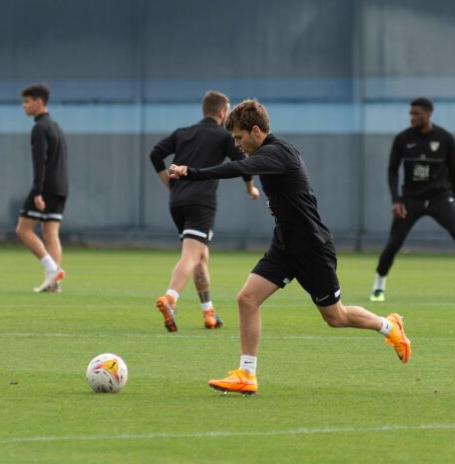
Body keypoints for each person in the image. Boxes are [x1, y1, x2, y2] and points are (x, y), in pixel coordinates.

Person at [169, 99, 410, 395]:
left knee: (335, 316)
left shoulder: (279, 153)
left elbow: (239, 168)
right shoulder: (265, 152)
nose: (237, 144)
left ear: (256, 131)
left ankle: (389, 327)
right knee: (246, 299)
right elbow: (243, 164)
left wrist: (192, 173)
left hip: (312, 247)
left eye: (239, 138)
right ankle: (247, 374)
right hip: (285, 244)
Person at [370, 97, 455, 303]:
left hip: (440, 197)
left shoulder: (445, 139)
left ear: (428, 113)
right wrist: (396, 200)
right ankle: (378, 287)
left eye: (416, 113)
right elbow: (392, 170)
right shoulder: (402, 139)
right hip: (411, 199)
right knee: (394, 242)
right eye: (410, 113)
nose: (412, 117)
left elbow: (454, 171)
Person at [150, 90, 259, 332]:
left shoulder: (184, 132)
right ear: (222, 113)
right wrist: (250, 189)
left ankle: (208, 312)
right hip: (201, 201)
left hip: (176, 201)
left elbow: (155, 154)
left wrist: (169, 184)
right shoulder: (223, 136)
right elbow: (243, 164)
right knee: (191, 254)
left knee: (200, 257)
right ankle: (170, 298)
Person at [15, 83, 69, 293]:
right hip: (61, 186)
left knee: (23, 229)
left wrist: (38, 191)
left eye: (27, 101)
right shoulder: (55, 126)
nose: (24, 106)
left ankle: (52, 269)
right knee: (50, 232)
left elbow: (40, 161)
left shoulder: (40, 128)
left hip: (46, 187)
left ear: (39, 102)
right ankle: (53, 283)